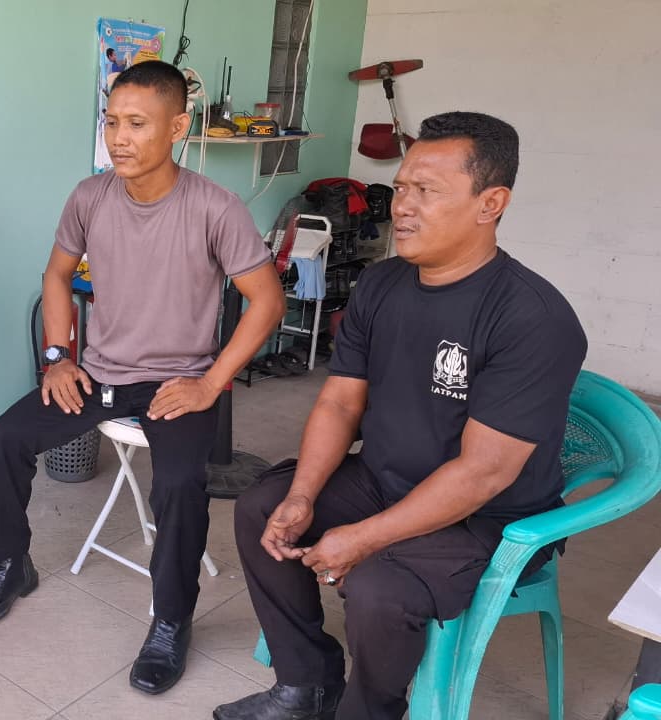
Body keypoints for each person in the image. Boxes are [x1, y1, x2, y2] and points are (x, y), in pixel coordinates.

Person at [215, 111, 587, 720]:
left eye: (427, 191)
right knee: (265, 507)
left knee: (379, 589)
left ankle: (370, 711)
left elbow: (484, 473)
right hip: (384, 478)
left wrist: (363, 538)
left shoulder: (531, 318)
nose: (403, 207)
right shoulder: (381, 284)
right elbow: (340, 400)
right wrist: (304, 496)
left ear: (491, 203)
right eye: (402, 187)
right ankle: (306, 683)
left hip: (486, 517)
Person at [0, 60, 285, 695]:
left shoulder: (215, 207)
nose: (119, 138)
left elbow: (267, 301)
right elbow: (56, 276)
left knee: (181, 482)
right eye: (111, 122)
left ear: (177, 128)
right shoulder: (90, 196)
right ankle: (9, 564)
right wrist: (58, 357)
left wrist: (210, 384)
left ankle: (171, 619)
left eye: (137, 124)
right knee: (7, 435)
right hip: (101, 373)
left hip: (179, 381)